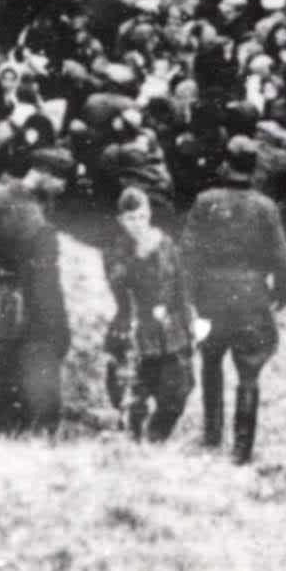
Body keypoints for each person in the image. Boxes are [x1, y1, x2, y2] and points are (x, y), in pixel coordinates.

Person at [183, 142, 286, 463]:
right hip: (251, 297)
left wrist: (188, 297)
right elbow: (281, 256)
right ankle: (242, 450)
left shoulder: (205, 202)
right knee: (249, 372)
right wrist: (282, 290)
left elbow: (188, 251)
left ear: (225, 164)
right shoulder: (266, 207)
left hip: (211, 297)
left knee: (211, 360)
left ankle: (211, 433)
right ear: (254, 167)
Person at [0, 147, 72, 437]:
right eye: (60, 179)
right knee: (30, 380)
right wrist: (59, 330)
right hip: (27, 309)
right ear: (44, 174)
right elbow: (46, 285)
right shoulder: (37, 224)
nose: (63, 188)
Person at [103, 187, 198, 442]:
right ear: (121, 221)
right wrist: (139, 257)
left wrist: (189, 324)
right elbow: (116, 281)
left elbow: (181, 286)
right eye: (131, 218)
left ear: (150, 215)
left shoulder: (166, 244)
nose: (137, 224)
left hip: (170, 328)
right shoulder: (116, 249)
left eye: (142, 217)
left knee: (178, 390)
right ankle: (133, 442)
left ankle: (156, 436)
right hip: (134, 326)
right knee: (132, 392)